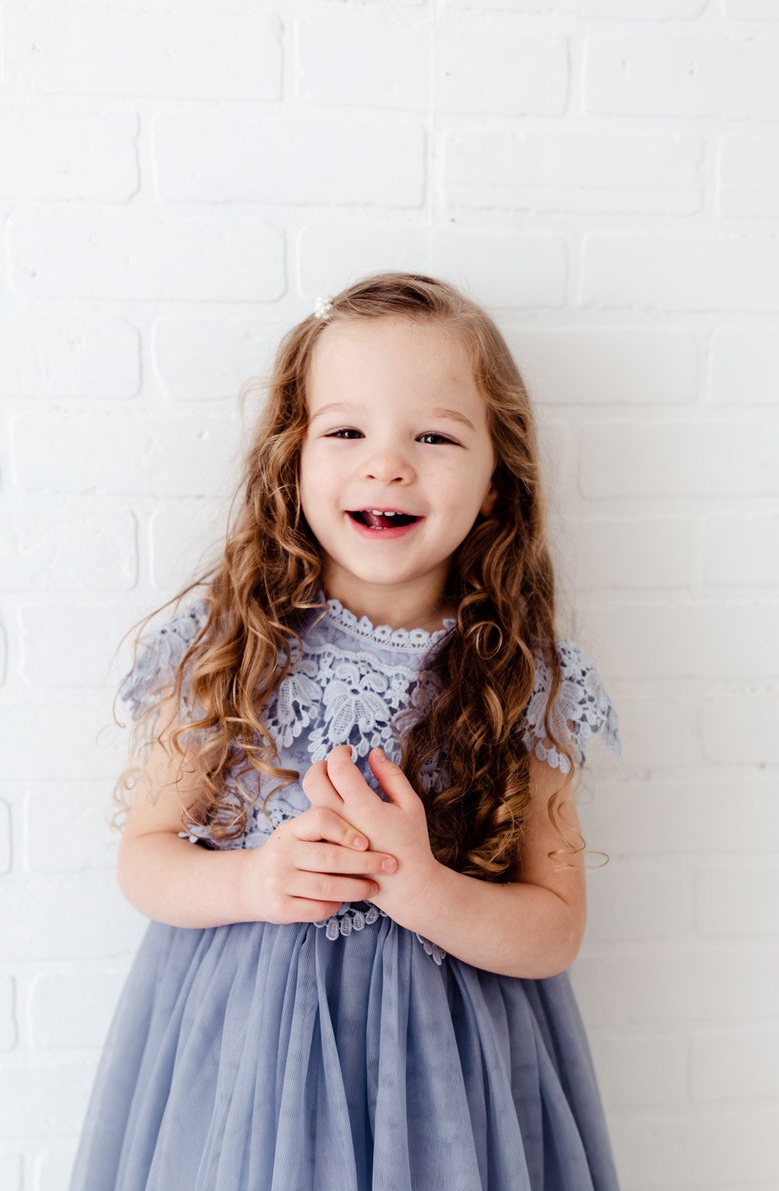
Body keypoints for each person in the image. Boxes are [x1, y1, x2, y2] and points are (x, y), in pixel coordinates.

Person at [71, 273, 621, 1190]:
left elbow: (554, 927)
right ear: (293, 456)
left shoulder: (525, 678)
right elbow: (145, 859)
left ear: (496, 480)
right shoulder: (228, 644)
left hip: (448, 1078)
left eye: (435, 436)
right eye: (347, 431)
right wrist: (253, 875)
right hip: (248, 1068)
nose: (387, 465)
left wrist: (422, 886)